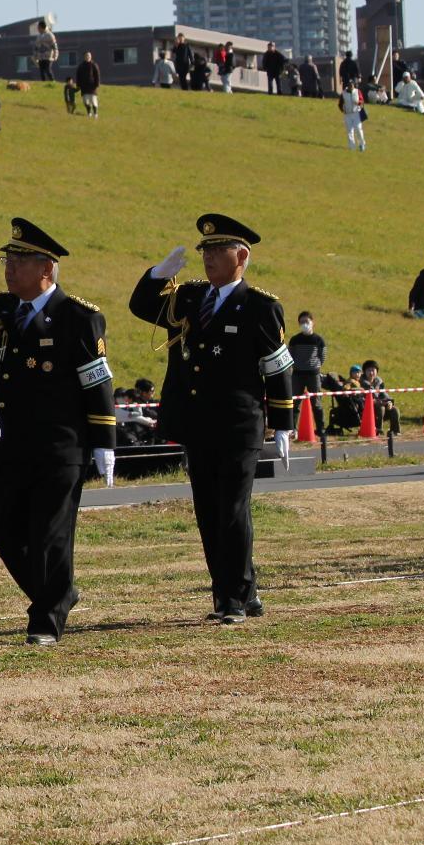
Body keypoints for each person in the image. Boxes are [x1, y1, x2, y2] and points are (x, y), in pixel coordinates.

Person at [0, 219, 116, 643]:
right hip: (6, 443)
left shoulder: (78, 317)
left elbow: (98, 383)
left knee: (50, 533)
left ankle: (46, 618)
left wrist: (104, 443)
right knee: (1, 528)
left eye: (19, 261)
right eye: (8, 260)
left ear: (46, 269)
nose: (9, 269)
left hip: (59, 445)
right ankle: (57, 592)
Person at [128, 215, 294, 623]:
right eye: (205, 251)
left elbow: (278, 368)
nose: (208, 258)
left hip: (239, 423)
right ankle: (241, 592)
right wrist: (157, 275)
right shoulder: (188, 297)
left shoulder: (260, 306)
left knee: (232, 508)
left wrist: (284, 422)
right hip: (197, 421)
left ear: (241, 256)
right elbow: (141, 306)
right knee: (208, 509)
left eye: (218, 251)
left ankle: (231, 599)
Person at [287, 311, 327, 435]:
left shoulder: (318, 340)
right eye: (302, 322)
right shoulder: (295, 339)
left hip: (313, 375)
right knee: (294, 402)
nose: (304, 324)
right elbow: (290, 355)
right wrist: (296, 365)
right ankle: (292, 429)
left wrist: (316, 365)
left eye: (307, 322)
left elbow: (323, 355)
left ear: (312, 323)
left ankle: (320, 429)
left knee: (317, 402)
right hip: (297, 374)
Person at [73, 52, 101, 117]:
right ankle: (89, 113)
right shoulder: (81, 66)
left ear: (91, 56)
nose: (88, 57)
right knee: (86, 101)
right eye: (86, 56)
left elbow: (97, 75)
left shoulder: (94, 65)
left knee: (93, 100)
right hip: (84, 87)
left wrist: (97, 84)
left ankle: (95, 113)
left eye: (89, 55)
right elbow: (78, 76)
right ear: (84, 57)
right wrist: (78, 85)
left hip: (92, 87)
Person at [339, 84, 366, 152]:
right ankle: (352, 147)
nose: (351, 87)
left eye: (352, 86)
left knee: (358, 129)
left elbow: (362, 101)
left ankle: (362, 144)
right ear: (348, 86)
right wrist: (343, 110)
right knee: (350, 131)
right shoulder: (344, 93)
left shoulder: (357, 91)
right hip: (347, 114)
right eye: (350, 86)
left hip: (356, 113)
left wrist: (358, 103)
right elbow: (340, 104)